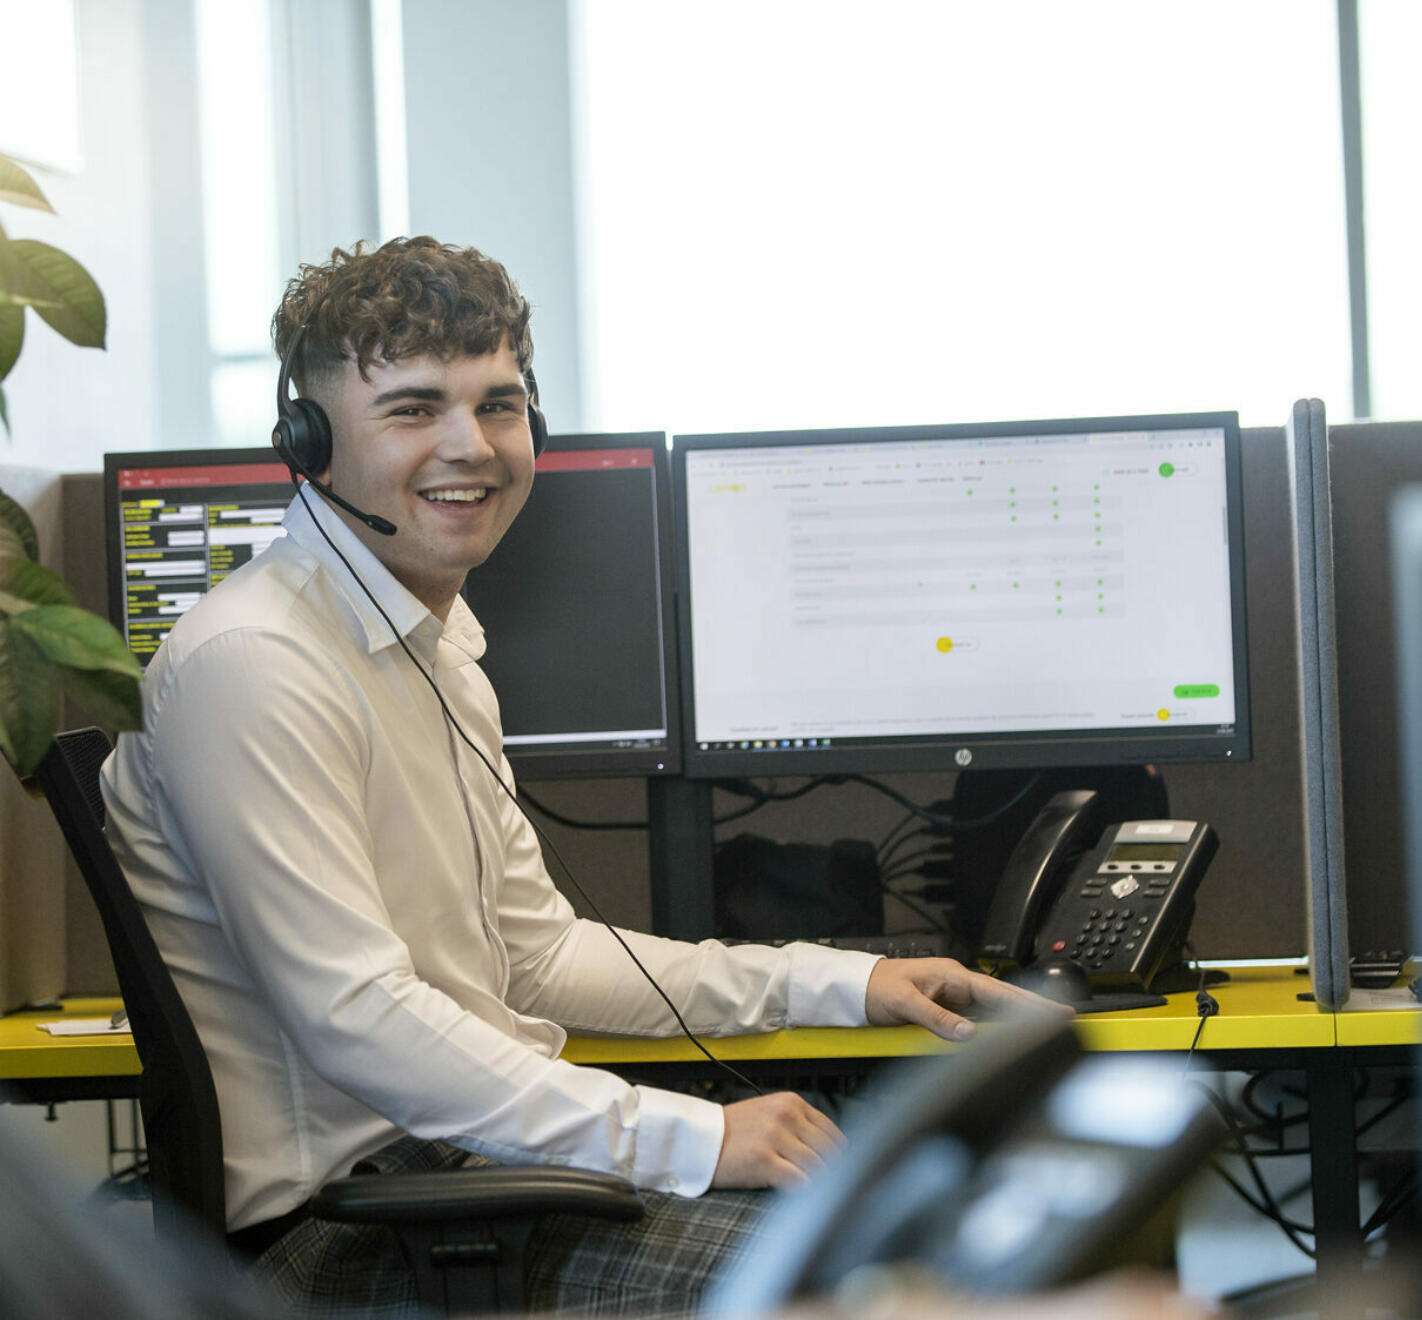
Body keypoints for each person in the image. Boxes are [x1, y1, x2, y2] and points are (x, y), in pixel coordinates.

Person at [100, 236, 1059, 1316]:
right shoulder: (256, 664)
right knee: (901, 1289)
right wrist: (698, 1138)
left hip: (475, 1190)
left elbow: (539, 959)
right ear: (310, 443)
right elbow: (357, 1017)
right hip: (356, 1244)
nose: (471, 445)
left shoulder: (431, 647)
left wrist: (839, 982)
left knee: (949, 1240)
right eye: (414, 409)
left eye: (498, 405)